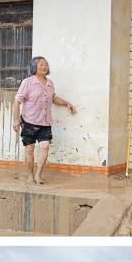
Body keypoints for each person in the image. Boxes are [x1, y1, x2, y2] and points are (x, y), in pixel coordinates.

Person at [12, 56, 77, 185]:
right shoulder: (28, 82)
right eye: (41, 64)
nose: (44, 66)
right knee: (29, 149)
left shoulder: (49, 83)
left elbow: (53, 98)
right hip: (29, 121)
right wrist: (15, 121)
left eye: (46, 64)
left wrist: (66, 103)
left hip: (45, 122)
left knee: (45, 146)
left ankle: (38, 175)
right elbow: (17, 102)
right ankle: (30, 175)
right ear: (34, 67)